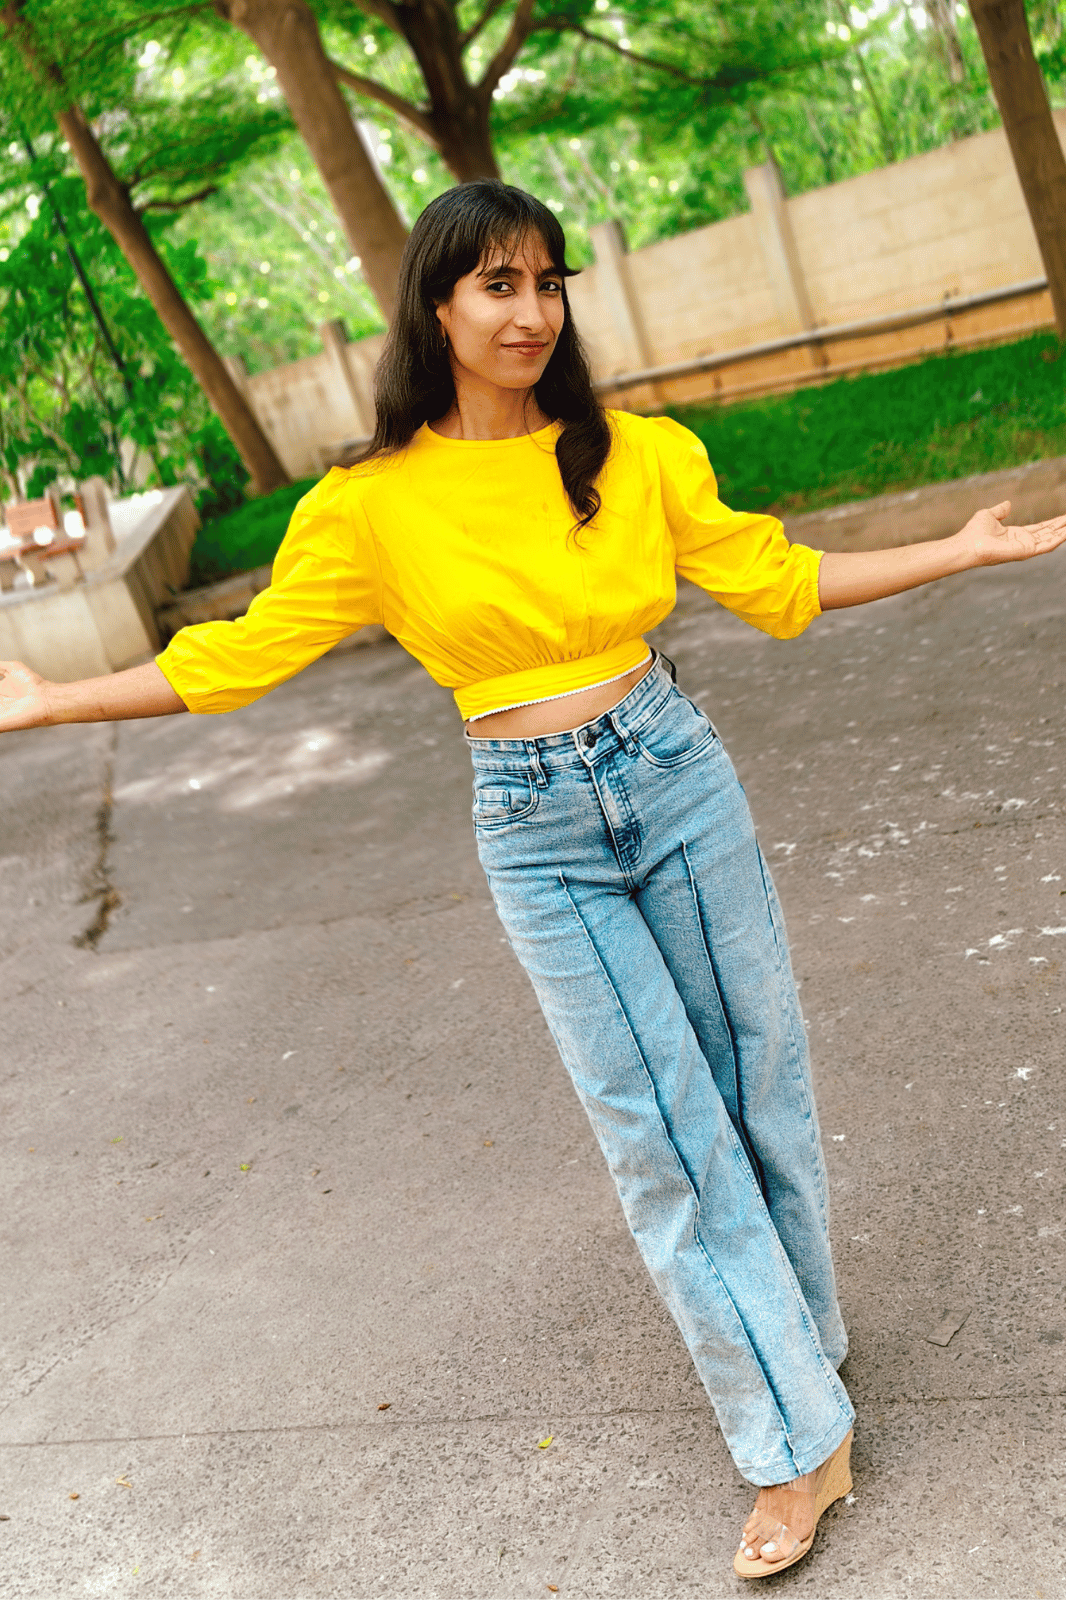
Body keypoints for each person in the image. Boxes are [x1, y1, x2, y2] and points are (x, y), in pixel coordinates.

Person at [2, 181, 1064, 1579]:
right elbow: (232, 656)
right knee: (660, 1137)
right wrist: (46, 701)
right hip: (535, 824)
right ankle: (793, 1446)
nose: (529, 310)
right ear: (435, 305)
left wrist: (960, 550)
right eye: (496, 284)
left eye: (545, 282)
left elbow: (777, 579)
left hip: (673, 772)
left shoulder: (632, 455)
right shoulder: (368, 505)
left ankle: (802, 1342)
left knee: (755, 1080)